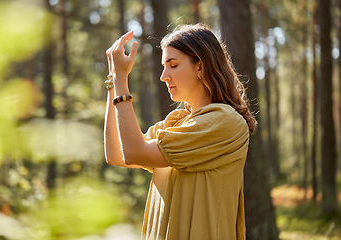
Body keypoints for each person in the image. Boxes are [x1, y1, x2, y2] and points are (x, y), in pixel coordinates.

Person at [104, 23, 257, 240]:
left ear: (200, 67)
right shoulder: (176, 123)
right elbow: (117, 155)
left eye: (173, 65)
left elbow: (134, 152)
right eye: (163, 67)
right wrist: (113, 81)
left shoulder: (225, 121)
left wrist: (121, 80)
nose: (164, 76)